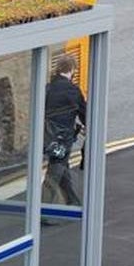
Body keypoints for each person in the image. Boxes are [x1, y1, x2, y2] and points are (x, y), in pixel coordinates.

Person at [43, 54, 86, 206]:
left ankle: (73, 202)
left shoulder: (48, 88)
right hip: (63, 138)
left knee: (62, 168)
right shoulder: (73, 90)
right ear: (72, 70)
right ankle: (43, 209)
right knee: (54, 173)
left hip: (47, 137)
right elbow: (85, 114)